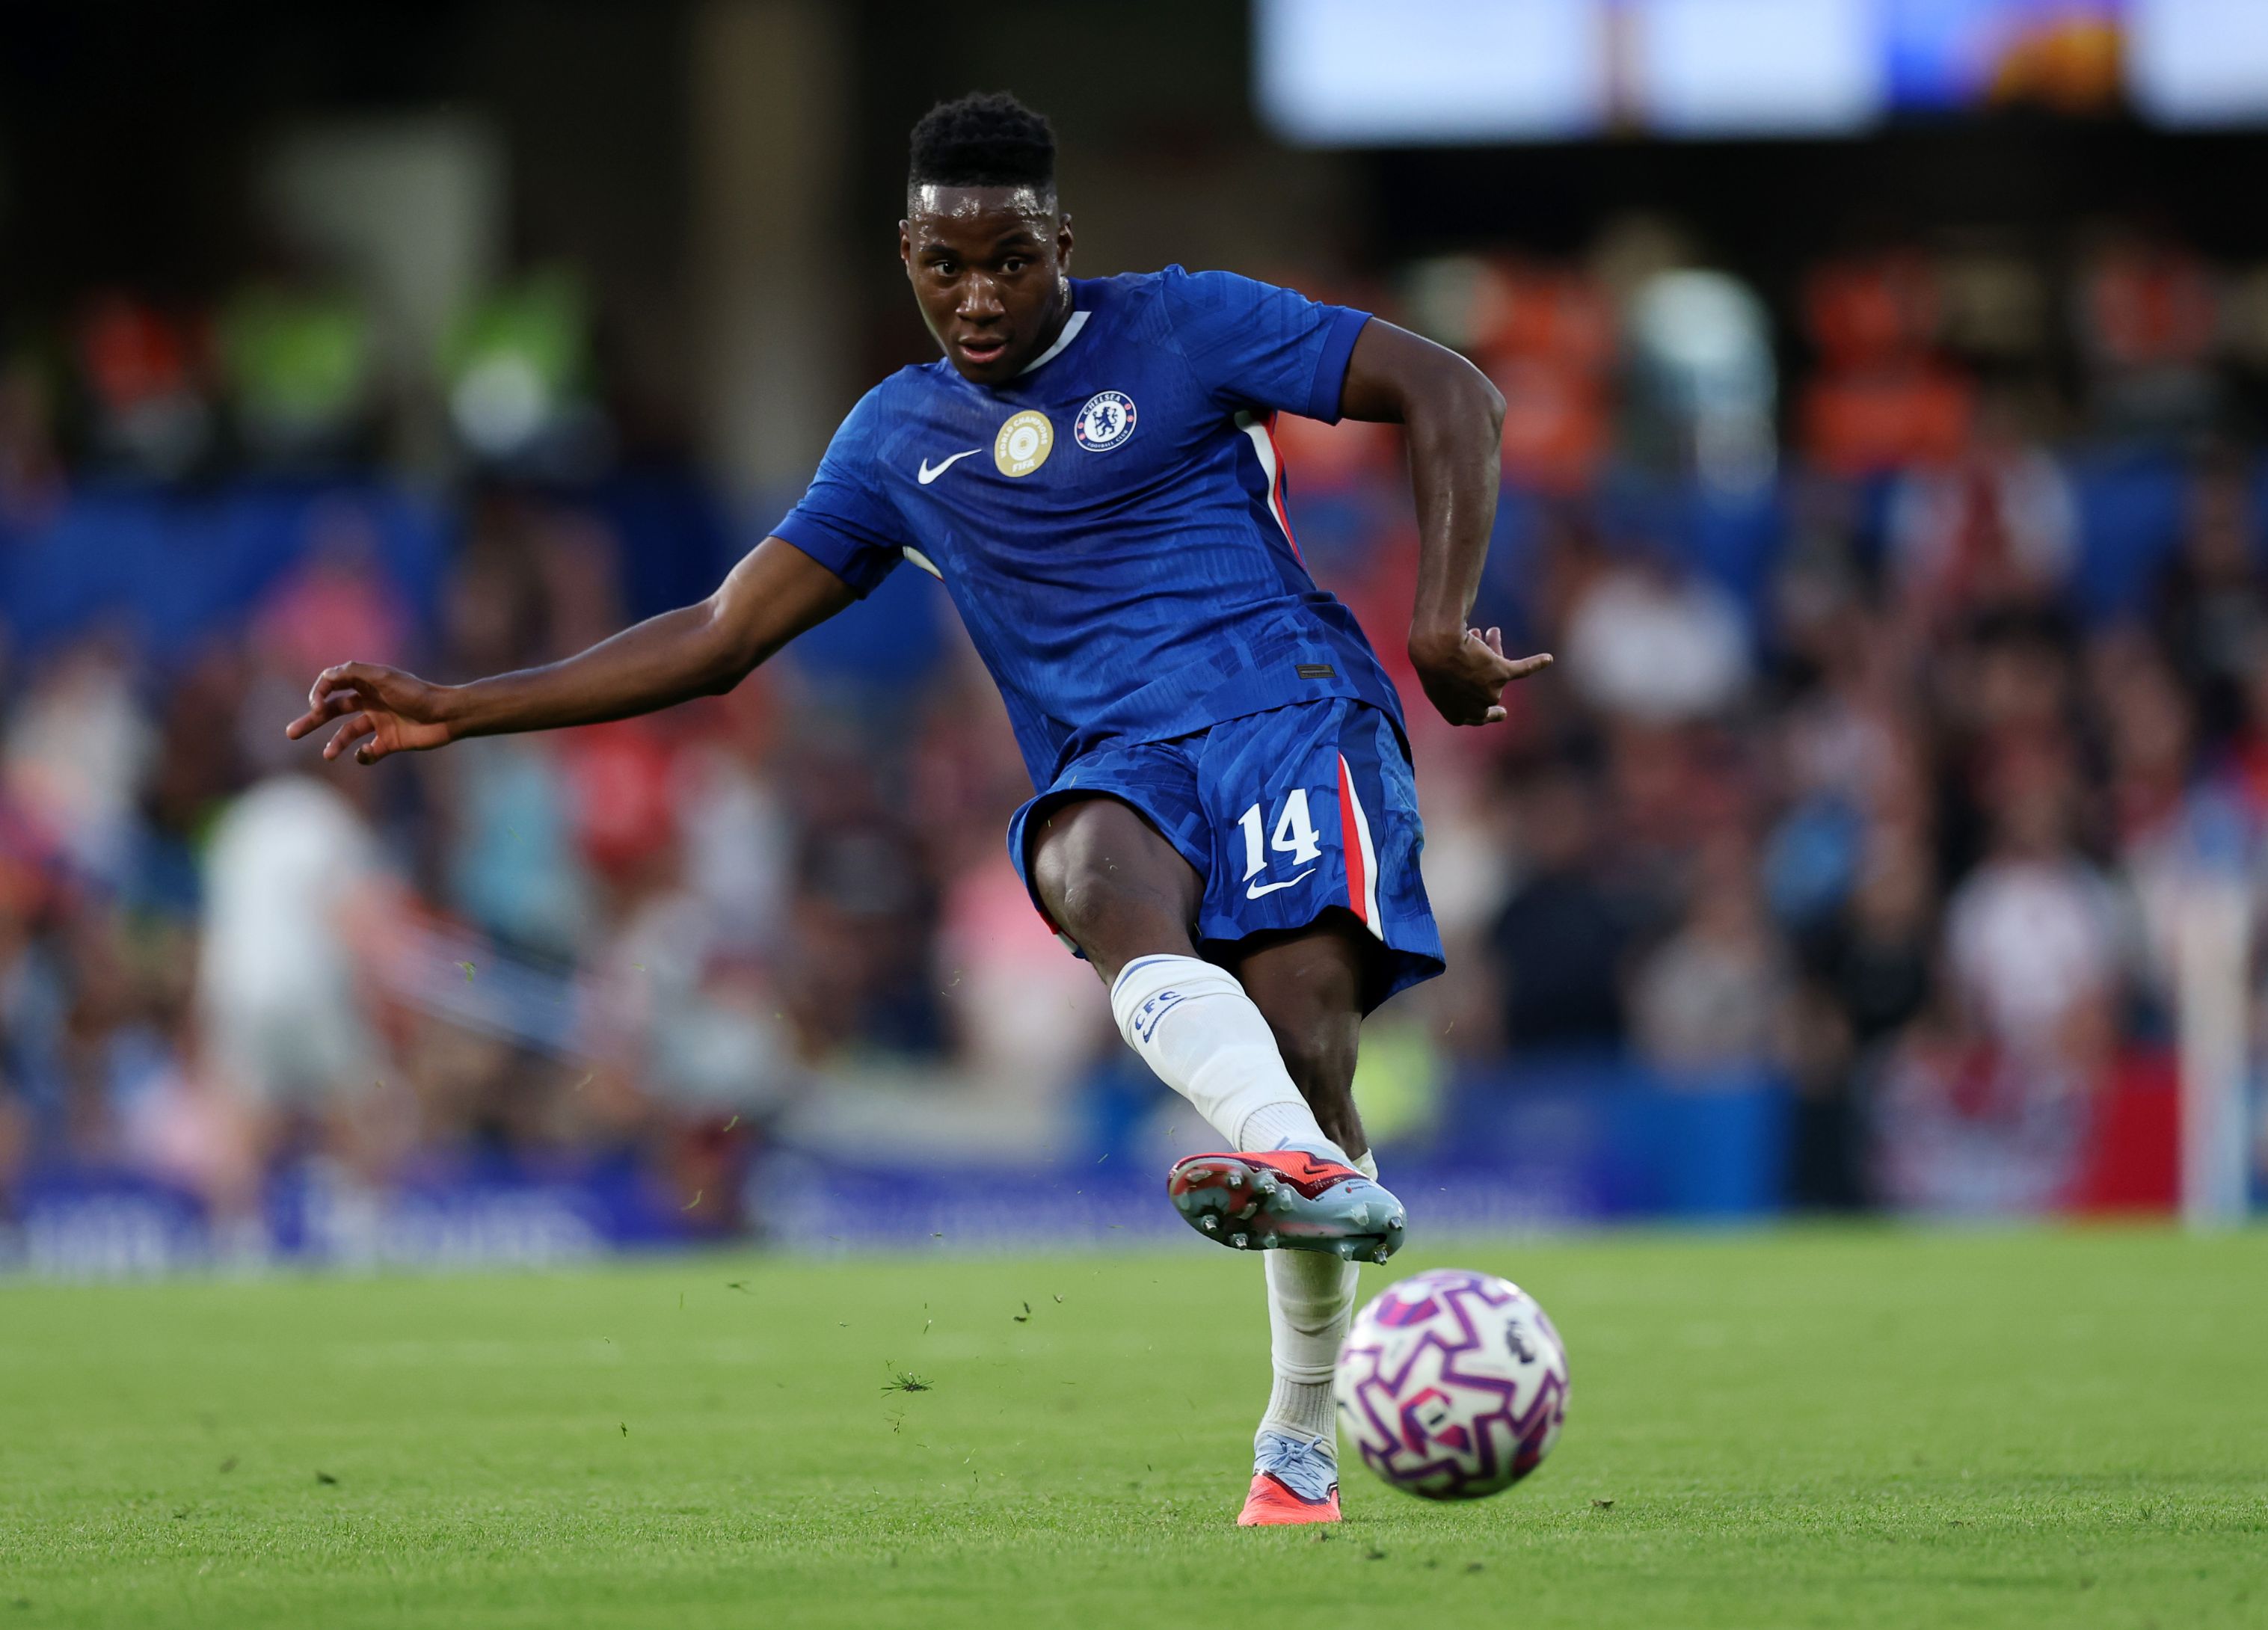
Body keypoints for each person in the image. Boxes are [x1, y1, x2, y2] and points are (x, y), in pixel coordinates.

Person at [286, 92, 1546, 1525]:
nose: (977, 295)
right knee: (1083, 867)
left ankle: (1298, 1417)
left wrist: (1441, 621)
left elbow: (1453, 391)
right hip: (1112, 757)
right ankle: (1313, 1178)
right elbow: (717, 632)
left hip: (1283, 704)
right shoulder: (897, 440)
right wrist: (462, 704)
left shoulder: (1189, 324)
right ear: (904, 254)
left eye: (1009, 259)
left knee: (1307, 1037)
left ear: (1062, 241)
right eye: (944, 266)